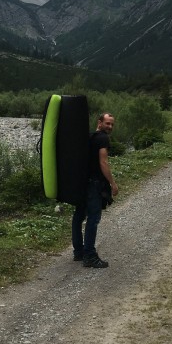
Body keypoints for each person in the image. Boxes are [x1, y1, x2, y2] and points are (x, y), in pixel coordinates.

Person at [72, 112, 119, 268]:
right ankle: (90, 256)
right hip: (94, 184)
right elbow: (103, 162)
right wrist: (112, 183)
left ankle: (79, 252)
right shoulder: (103, 139)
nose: (110, 127)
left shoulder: (90, 137)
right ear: (100, 122)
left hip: (83, 183)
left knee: (79, 216)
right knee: (93, 219)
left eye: (112, 124)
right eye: (107, 123)